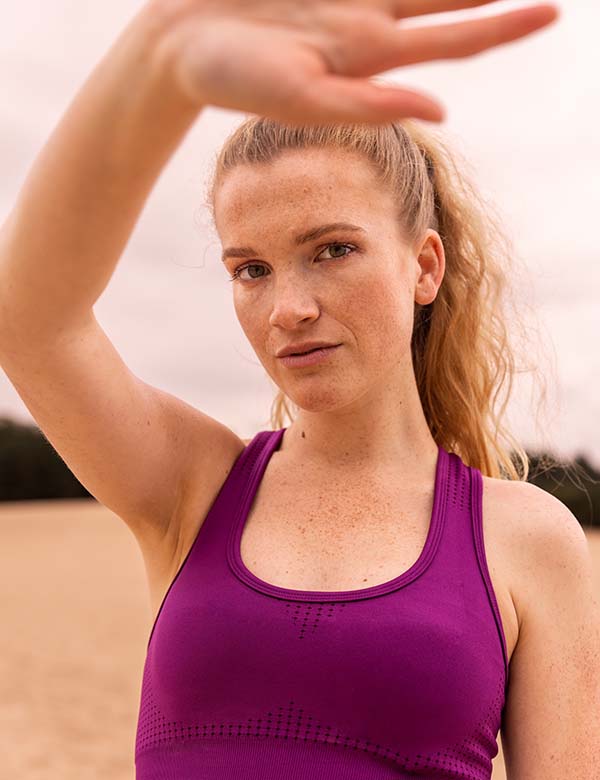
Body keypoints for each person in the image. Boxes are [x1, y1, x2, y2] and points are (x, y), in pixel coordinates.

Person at [0, 1, 598, 779]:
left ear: (424, 266)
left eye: (332, 250)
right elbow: (29, 322)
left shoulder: (527, 542)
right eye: (250, 269)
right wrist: (162, 52)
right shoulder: (195, 487)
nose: (288, 308)